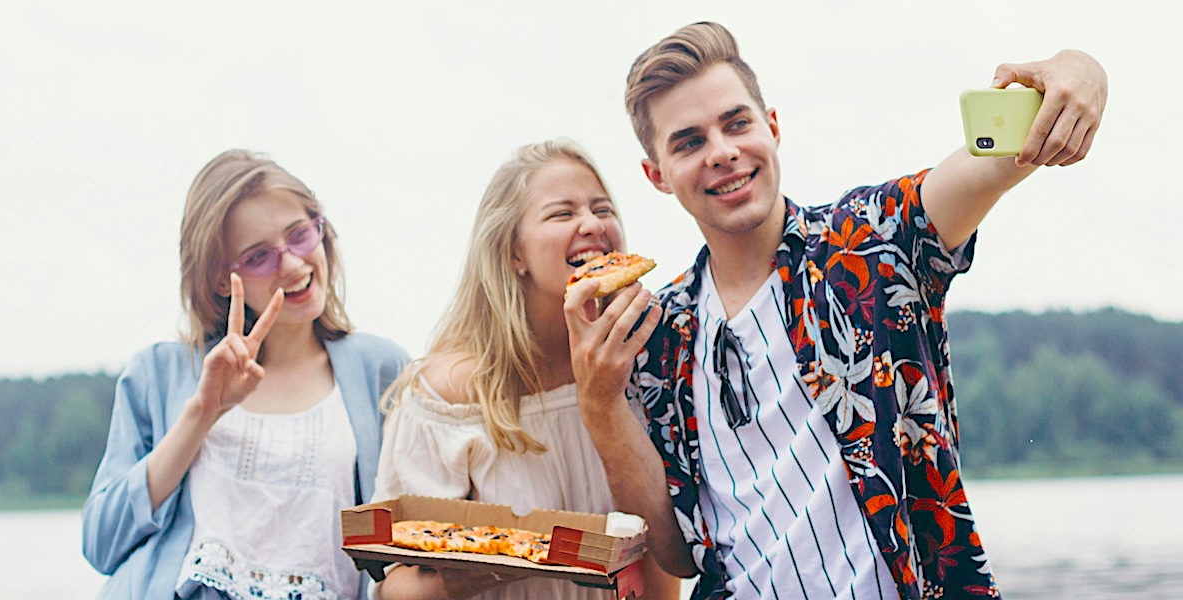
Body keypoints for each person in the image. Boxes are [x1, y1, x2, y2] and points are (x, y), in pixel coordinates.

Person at [564, 22, 1107, 600]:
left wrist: (1083, 70)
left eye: (736, 123)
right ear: (657, 176)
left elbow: (994, 160)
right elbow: (679, 553)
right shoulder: (659, 333)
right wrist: (599, 404)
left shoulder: (870, 240)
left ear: (772, 128)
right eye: (689, 141)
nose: (722, 152)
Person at [82, 149, 410, 599]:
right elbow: (102, 543)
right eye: (259, 256)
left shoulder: (383, 369)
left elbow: (406, 547)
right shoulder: (158, 373)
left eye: (299, 235)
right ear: (220, 278)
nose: (293, 264)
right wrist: (201, 413)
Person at [369, 139, 678, 600]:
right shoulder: (447, 396)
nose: (592, 224)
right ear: (513, 252)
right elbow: (392, 582)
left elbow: (663, 562)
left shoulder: (642, 372)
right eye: (562, 214)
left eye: (602, 209)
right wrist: (462, 576)